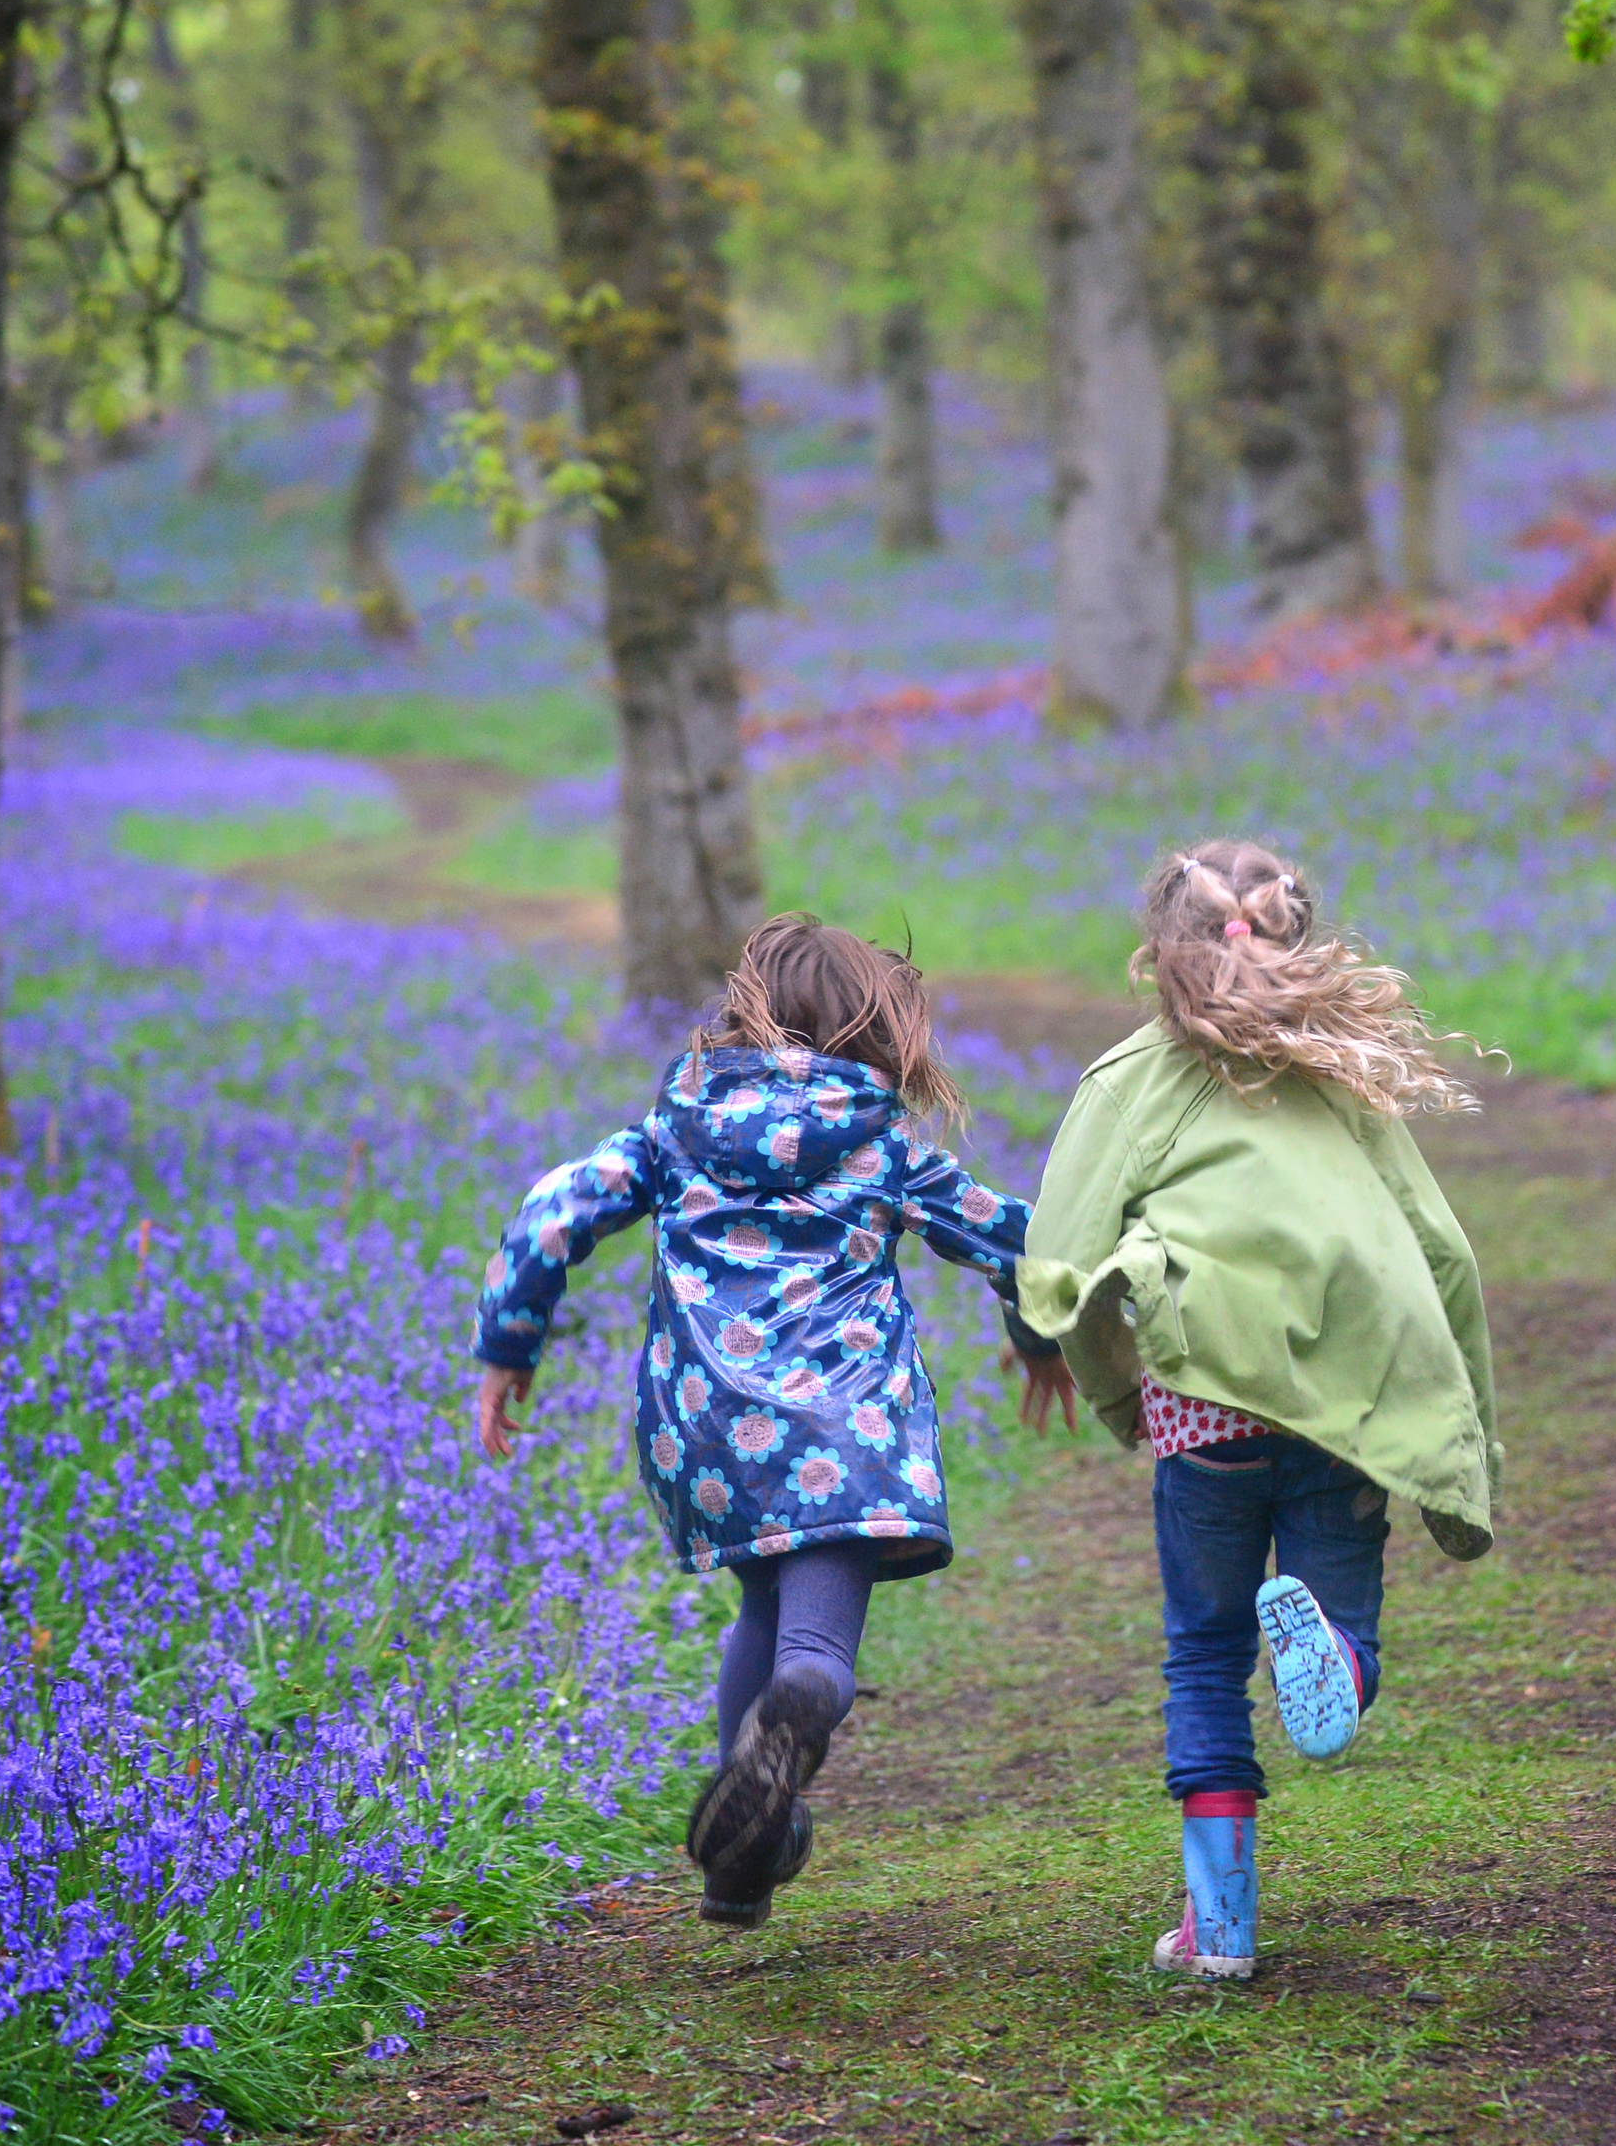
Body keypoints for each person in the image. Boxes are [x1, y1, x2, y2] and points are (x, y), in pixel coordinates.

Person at [470, 915, 1076, 1928]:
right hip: (848, 1433)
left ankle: (742, 1858)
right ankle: (797, 1708)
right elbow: (1015, 1238)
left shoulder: (673, 1131)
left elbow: (551, 1211)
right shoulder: (883, 1146)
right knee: (811, 1655)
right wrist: (1041, 1340)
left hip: (709, 1435)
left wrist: (507, 1344)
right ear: (873, 1033)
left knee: (760, 1602)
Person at [1014, 840, 1499, 1980]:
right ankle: (1332, 1662)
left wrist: (1115, 1387)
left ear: (1157, 949)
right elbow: (1444, 1254)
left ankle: (1220, 1933)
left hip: (1204, 1406)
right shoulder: (1344, 1082)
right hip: (1346, 1403)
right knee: (1338, 1624)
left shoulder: (1124, 1082)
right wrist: (1461, 1435)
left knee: (1201, 1660)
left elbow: (1061, 1266)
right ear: (1293, 938)